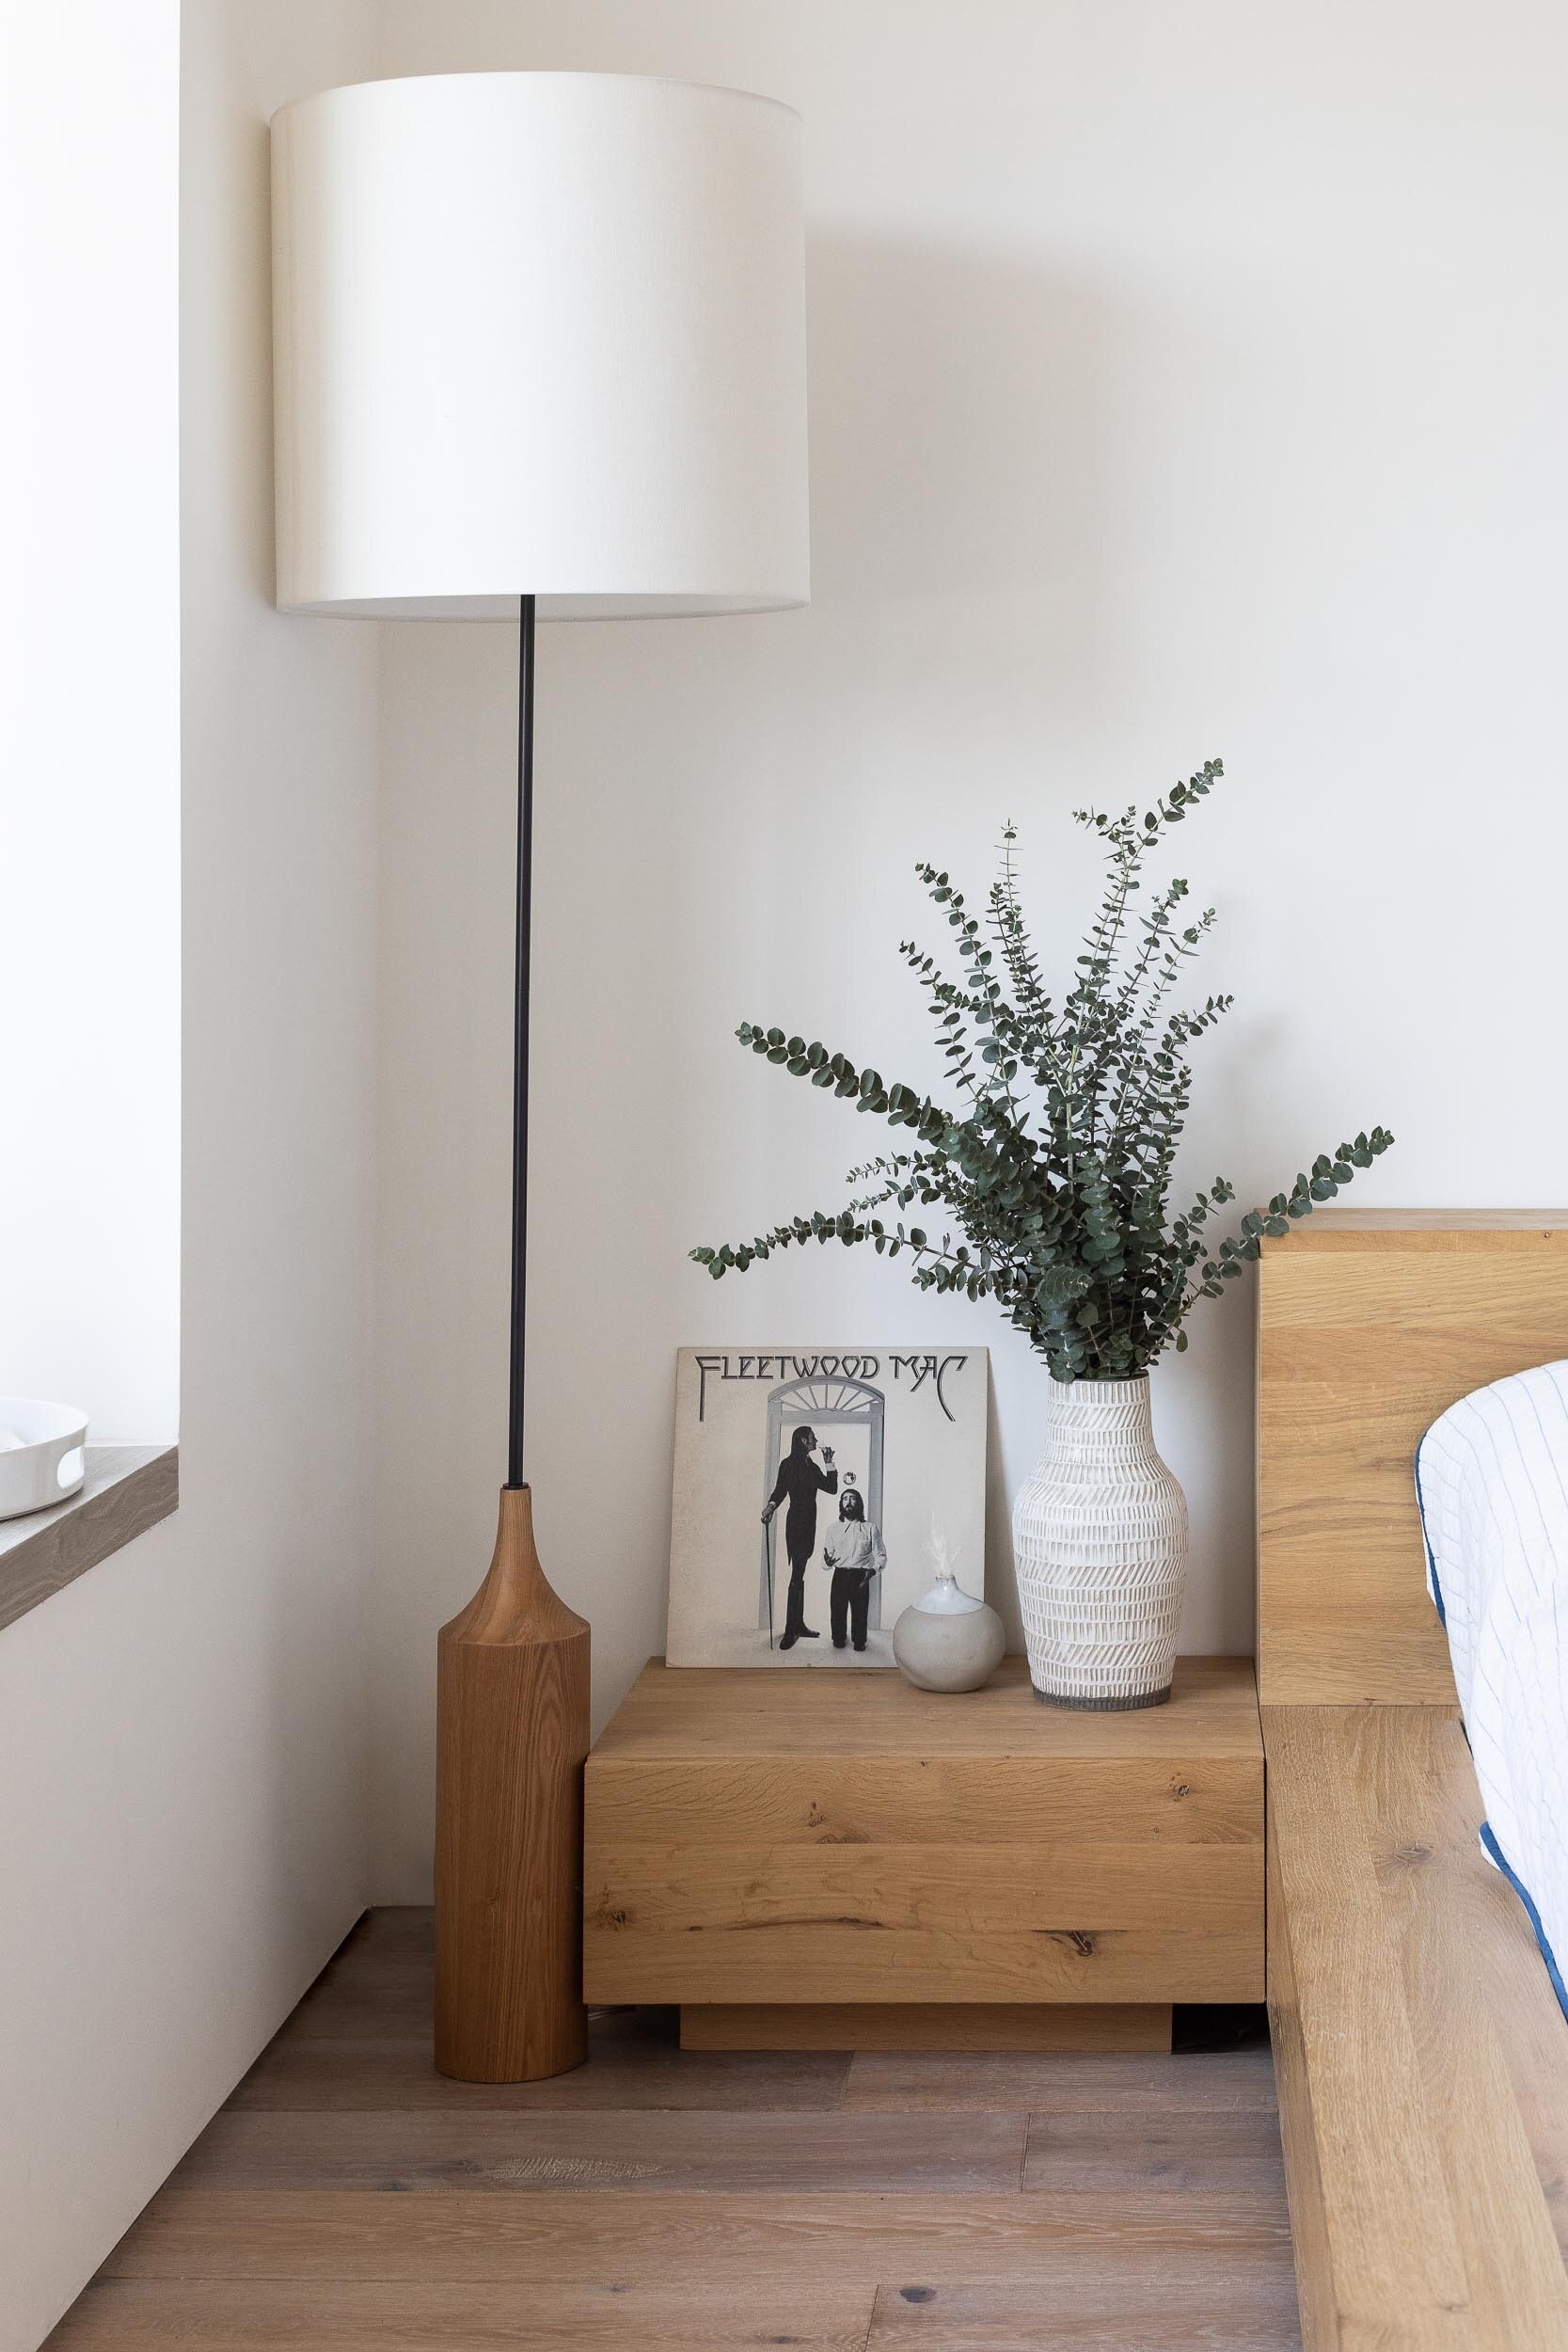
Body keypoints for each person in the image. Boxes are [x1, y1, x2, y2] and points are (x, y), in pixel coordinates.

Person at [762, 1424, 837, 1650]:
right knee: (797, 1575)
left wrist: (828, 1461)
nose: (815, 1441)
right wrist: (770, 1507)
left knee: (800, 1574)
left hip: (807, 1525)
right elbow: (780, 1491)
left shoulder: (810, 1465)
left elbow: (831, 1488)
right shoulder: (788, 1464)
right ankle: (790, 1629)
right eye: (812, 1438)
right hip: (796, 1524)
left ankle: (798, 1624)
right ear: (804, 1441)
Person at [821, 1483, 886, 1653]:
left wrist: (872, 1571)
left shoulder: (870, 1528)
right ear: (841, 1504)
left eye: (852, 1498)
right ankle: (838, 1638)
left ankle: (859, 1640)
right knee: (837, 1611)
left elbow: (881, 1556)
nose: (848, 1502)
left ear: (859, 1503)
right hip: (840, 1575)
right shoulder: (833, 1529)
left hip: (861, 1576)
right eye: (845, 1499)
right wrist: (827, 1562)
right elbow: (825, 1560)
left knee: (860, 1612)